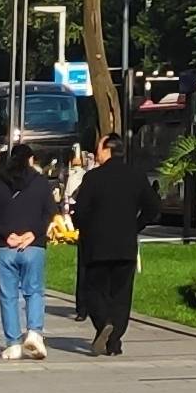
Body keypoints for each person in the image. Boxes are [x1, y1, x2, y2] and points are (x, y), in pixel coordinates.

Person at [68, 138, 150, 356]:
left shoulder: (93, 177)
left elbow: (81, 211)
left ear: (108, 150)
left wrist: (82, 227)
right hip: (125, 245)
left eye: (99, 149)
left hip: (97, 246)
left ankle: (104, 323)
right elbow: (153, 207)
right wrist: (135, 226)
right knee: (121, 295)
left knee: (94, 290)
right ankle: (114, 342)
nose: (96, 153)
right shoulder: (136, 176)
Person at [0, 148, 56, 358]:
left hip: (5, 247)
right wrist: (33, 233)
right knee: (34, 291)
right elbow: (50, 212)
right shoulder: (40, 183)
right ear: (30, 160)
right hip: (33, 246)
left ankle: (13, 343)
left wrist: (7, 234)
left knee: (8, 296)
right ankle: (34, 332)